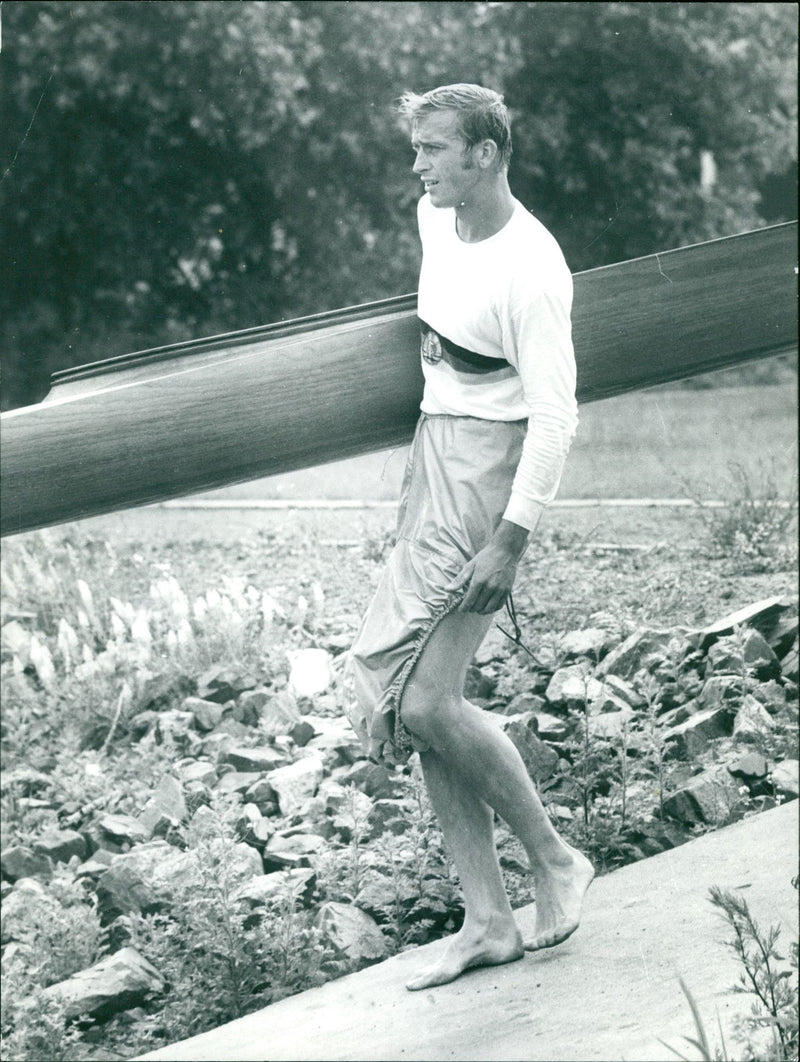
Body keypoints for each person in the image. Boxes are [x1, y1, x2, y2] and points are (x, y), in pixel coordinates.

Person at [343, 83, 594, 992]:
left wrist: (511, 541)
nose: (419, 166)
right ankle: (487, 919)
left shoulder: (533, 268)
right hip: (432, 456)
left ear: (485, 153)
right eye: (417, 148)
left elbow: (557, 417)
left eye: (435, 149)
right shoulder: (430, 219)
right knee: (418, 699)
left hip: (491, 477)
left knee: (425, 701)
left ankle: (555, 860)